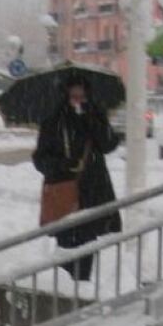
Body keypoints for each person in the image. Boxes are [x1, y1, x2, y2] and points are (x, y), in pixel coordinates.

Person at [32, 73, 122, 281]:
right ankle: (67, 292)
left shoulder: (95, 115)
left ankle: (80, 288)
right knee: (67, 248)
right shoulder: (54, 121)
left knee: (88, 246)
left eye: (82, 97)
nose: (78, 101)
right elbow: (40, 159)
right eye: (74, 96)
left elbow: (109, 144)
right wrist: (64, 165)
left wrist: (92, 119)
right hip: (65, 193)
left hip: (93, 192)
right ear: (66, 95)